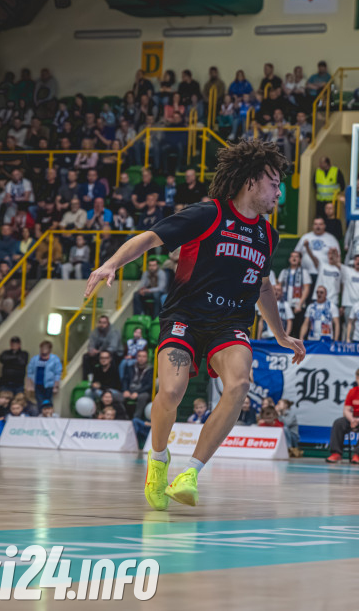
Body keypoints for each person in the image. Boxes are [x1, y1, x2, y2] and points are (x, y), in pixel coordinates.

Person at [84, 140, 305, 512]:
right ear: (251, 182)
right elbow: (151, 238)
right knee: (171, 392)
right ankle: (158, 460)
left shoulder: (268, 235)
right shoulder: (208, 214)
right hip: (184, 317)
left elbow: (263, 286)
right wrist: (111, 264)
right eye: (273, 184)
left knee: (239, 384)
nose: (278, 192)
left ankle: (190, 474)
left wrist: (280, 333)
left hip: (229, 324)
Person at [25, 340, 62, 406]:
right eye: (42, 347)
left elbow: (57, 373)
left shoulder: (55, 359)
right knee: (39, 402)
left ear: (50, 349)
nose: (44, 349)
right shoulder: (35, 359)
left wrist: (56, 386)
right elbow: (30, 372)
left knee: (48, 402)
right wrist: (29, 385)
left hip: (49, 385)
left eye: (46, 347)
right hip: (37, 384)